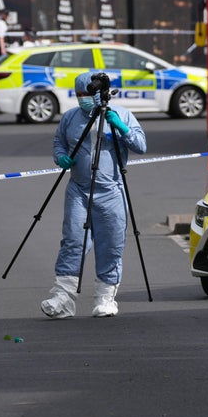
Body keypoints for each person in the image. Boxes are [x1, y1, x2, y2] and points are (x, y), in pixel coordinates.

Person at [41, 72, 147, 319]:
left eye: (87, 94)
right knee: (73, 241)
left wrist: (120, 127)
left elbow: (141, 146)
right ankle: (63, 299)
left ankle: (105, 298)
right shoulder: (70, 117)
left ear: (100, 94)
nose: (82, 99)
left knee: (111, 244)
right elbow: (59, 142)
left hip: (111, 192)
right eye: (78, 95)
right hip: (78, 189)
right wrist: (61, 158)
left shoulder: (121, 114)